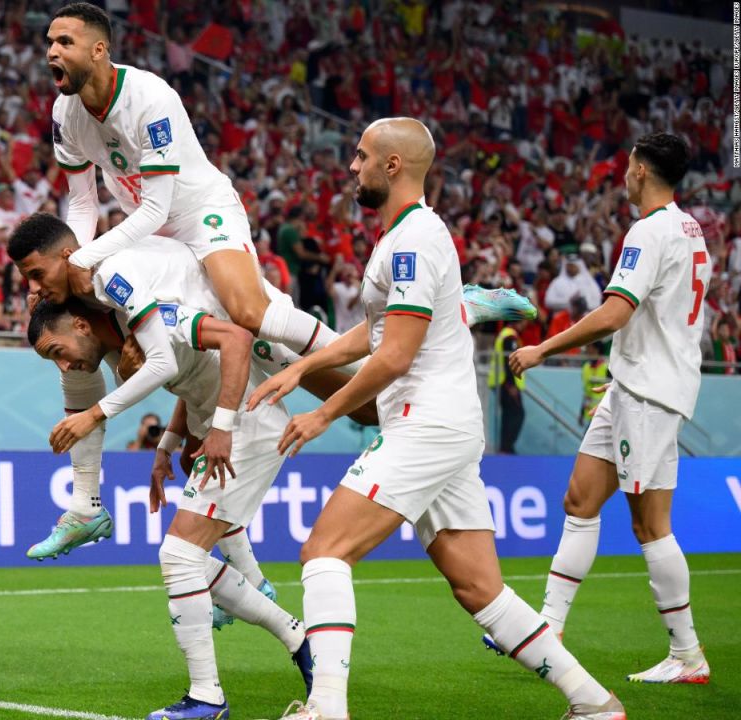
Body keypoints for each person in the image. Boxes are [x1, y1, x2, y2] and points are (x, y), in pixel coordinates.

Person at [248, 118, 621, 720]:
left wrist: (323, 413)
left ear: (392, 166)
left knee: (324, 551)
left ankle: (325, 708)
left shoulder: (415, 239)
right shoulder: (403, 235)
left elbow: (394, 355)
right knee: (480, 589)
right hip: (443, 428)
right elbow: (373, 334)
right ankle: (594, 702)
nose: (351, 166)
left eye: (361, 156)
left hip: (426, 424)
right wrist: (304, 366)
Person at [10, 212, 532, 561]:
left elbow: (171, 348)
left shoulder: (106, 274)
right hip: (216, 343)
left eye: (35, 277)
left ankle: (459, 306)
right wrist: (168, 441)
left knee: (368, 396)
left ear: (65, 256)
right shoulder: (78, 304)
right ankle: (88, 505)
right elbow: (177, 377)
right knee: (361, 412)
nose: (32, 291)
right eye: (27, 284)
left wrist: (122, 416)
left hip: (250, 322)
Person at [28, 298, 321, 719]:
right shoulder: (129, 343)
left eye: (58, 352)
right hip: (229, 430)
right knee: (189, 560)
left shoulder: (154, 313)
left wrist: (218, 429)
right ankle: (298, 637)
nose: (63, 367)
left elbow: (232, 338)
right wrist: (167, 445)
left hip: (246, 430)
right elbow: (191, 379)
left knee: (178, 556)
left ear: (81, 324)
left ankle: (207, 697)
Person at [509, 133, 711, 685]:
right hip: (633, 385)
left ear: (642, 171)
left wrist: (544, 346)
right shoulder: (691, 230)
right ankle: (548, 627)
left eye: (627, 167)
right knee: (579, 498)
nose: (623, 176)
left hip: (648, 392)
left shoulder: (649, 231)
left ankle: (687, 654)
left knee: (651, 525)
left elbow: (614, 313)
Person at [45, 3, 329, 357]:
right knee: (105, 298)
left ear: (98, 50)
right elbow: (83, 203)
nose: (52, 51)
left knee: (249, 313)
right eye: (51, 42)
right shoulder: (64, 113)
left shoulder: (150, 98)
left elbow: (157, 209)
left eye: (65, 42)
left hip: (199, 212)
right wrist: (71, 258)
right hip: (149, 230)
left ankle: (350, 352)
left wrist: (81, 258)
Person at [489, 321, 525, 454]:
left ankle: (505, 448)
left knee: (508, 415)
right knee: (518, 414)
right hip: (506, 383)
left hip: (501, 382)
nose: (525, 324)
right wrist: (511, 384)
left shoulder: (504, 334)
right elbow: (509, 361)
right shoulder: (510, 337)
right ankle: (507, 447)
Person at [579, 343, 609, 423]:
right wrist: (581, 412)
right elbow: (586, 392)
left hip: (604, 413)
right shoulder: (585, 367)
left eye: (589, 346)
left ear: (596, 349)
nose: (586, 349)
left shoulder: (607, 367)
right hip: (590, 412)